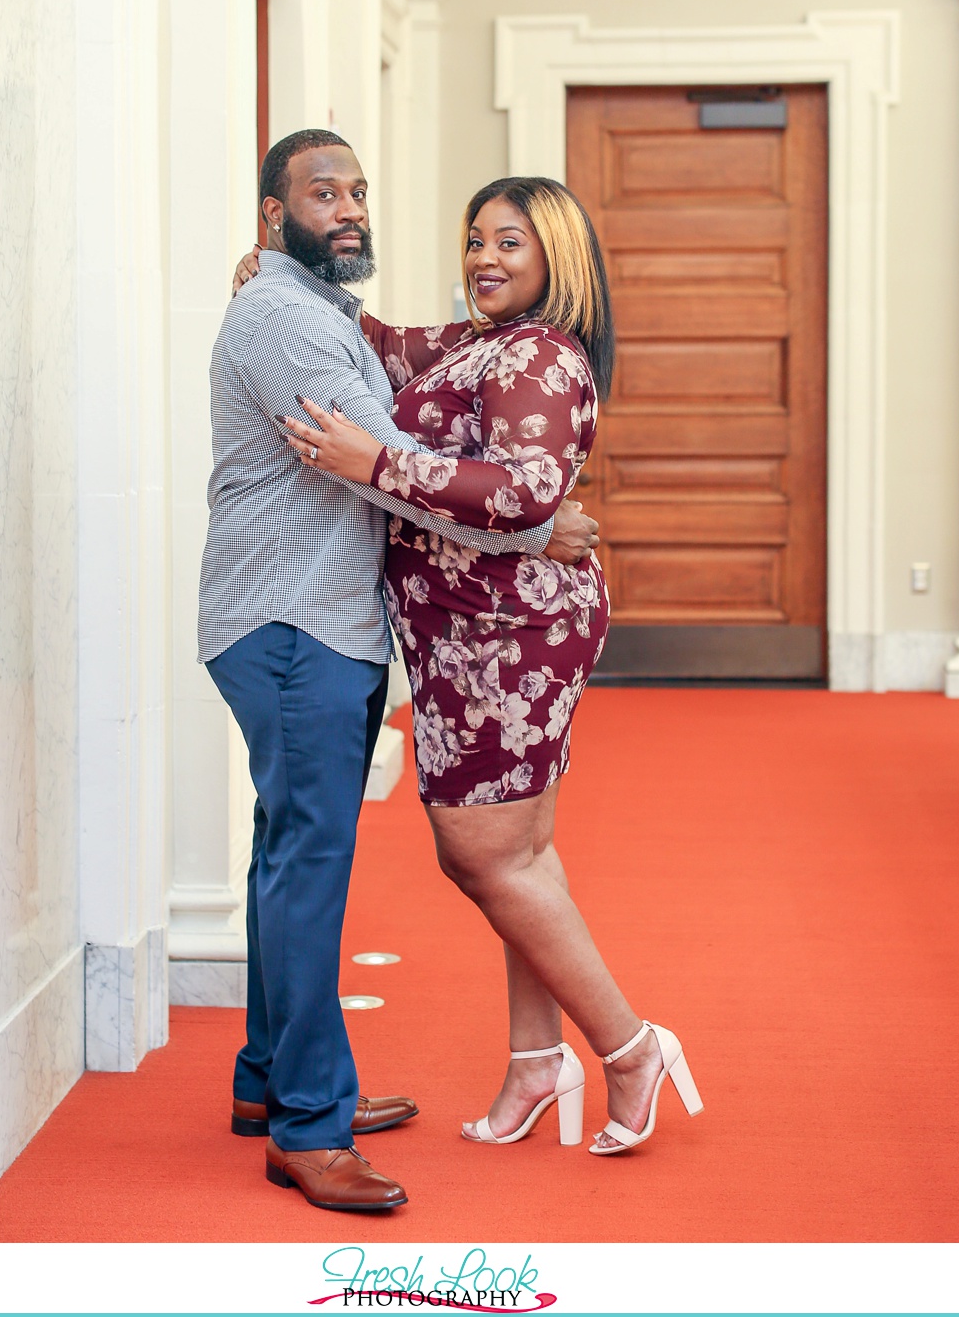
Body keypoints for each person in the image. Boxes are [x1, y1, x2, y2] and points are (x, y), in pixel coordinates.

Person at [199, 132, 600, 1213]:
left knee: (286, 851)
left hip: (316, 624)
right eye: (321, 192)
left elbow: (396, 378)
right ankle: (309, 1126)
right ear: (272, 214)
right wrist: (537, 527)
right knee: (309, 864)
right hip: (294, 627)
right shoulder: (288, 317)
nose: (349, 208)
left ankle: (270, 1081)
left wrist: (526, 516)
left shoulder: (327, 310)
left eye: (359, 191)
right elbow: (385, 464)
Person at [277, 175, 704, 1157]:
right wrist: (286, 271)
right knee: (520, 858)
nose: (484, 259)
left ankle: (629, 1048)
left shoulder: (542, 357)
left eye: (510, 243)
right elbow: (377, 344)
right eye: (475, 241)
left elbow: (526, 494)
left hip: (506, 635)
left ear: (557, 256)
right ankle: (533, 1060)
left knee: (483, 853)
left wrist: (370, 464)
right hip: (462, 631)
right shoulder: (474, 343)